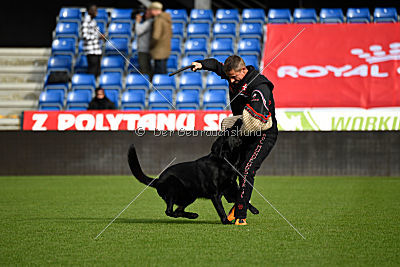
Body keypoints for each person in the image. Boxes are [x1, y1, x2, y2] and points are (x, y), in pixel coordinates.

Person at [191, 56, 278, 225]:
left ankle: (241, 214)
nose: (230, 80)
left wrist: (244, 118)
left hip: (263, 132)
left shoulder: (260, 86)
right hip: (243, 130)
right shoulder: (234, 74)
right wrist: (201, 64)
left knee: (246, 169)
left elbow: (258, 120)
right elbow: (217, 66)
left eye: (233, 77)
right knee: (223, 164)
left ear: (243, 71)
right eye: (229, 77)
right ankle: (240, 199)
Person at [148, 2, 172, 74]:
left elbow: (156, 36)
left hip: (158, 50)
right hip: (166, 49)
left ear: (155, 10)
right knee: (163, 70)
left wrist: (150, 45)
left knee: (159, 72)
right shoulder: (167, 19)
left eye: (151, 10)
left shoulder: (158, 20)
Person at [81, 4, 104, 78]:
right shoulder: (86, 21)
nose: (96, 12)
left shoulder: (93, 21)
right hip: (91, 51)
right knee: (92, 71)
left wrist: (100, 36)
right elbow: (85, 36)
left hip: (97, 50)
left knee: (97, 71)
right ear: (90, 11)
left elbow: (95, 33)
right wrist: (97, 36)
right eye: (95, 10)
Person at [135, 8, 154, 78]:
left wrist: (137, 21)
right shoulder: (146, 22)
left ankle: (148, 85)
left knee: (145, 70)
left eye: (147, 13)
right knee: (146, 69)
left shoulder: (149, 22)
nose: (145, 15)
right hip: (144, 49)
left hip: (145, 50)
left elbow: (138, 31)